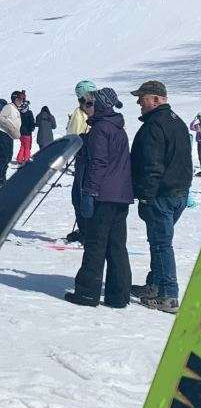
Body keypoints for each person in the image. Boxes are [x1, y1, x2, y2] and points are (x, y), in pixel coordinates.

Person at [64, 88, 132, 308]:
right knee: (116, 246)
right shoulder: (117, 128)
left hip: (103, 195)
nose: (87, 107)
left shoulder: (101, 129)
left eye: (91, 103)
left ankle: (86, 293)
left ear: (100, 105)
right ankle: (118, 296)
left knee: (95, 244)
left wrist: (89, 192)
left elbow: (99, 163)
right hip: (120, 196)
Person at [129, 80, 192, 314]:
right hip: (178, 192)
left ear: (156, 99)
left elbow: (152, 166)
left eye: (142, 97)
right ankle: (155, 285)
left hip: (161, 194)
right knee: (158, 242)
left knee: (161, 244)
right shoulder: (176, 121)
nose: (138, 102)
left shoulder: (155, 125)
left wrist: (145, 196)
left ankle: (169, 294)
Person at [65, 82, 98, 243]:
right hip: (88, 158)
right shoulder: (93, 110)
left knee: (79, 195)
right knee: (82, 195)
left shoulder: (80, 113)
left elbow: (74, 136)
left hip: (84, 158)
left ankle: (86, 231)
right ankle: (86, 228)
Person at [16, 93, 33, 164]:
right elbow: (32, 122)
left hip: (21, 132)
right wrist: (32, 128)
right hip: (27, 133)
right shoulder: (29, 113)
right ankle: (26, 159)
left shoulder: (20, 113)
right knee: (27, 147)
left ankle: (19, 159)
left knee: (22, 146)